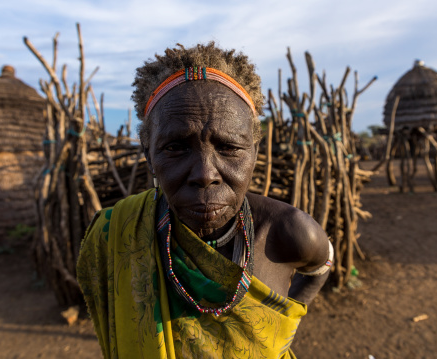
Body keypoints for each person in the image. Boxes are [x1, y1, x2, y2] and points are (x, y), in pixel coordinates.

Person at [77, 42, 332, 359]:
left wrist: (280, 328)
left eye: (229, 147)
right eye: (175, 148)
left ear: (254, 151)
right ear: (148, 155)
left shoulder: (287, 232)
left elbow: (322, 265)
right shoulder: (116, 234)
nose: (204, 173)